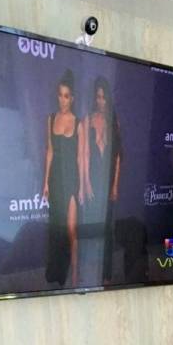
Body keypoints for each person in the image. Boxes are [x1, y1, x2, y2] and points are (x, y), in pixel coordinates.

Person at [42, 69, 85, 287]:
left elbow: (80, 158)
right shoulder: (50, 119)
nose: (62, 100)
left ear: (72, 98)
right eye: (60, 95)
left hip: (71, 180)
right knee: (56, 227)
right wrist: (45, 183)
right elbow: (49, 151)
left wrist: (81, 187)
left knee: (71, 229)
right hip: (55, 180)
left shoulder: (78, 123)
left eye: (66, 96)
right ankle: (56, 272)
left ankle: (75, 271)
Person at [80, 76, 122, 284]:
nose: (101, 101)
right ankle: (87, 273)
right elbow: (85, 155)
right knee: (92, 225)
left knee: (107, 229)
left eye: (104, 97)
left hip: (108, 182)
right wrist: (87, 183)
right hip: (94, 180)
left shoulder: (114, 122)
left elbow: (118, 156)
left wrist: (114, 185)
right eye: (98, 97)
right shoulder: (88, 120)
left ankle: (106, 275)